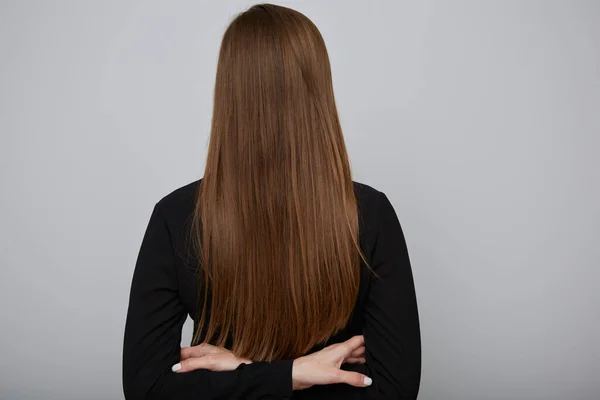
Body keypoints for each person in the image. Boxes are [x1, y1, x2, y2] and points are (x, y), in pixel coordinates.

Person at [122, 3, 421, 399]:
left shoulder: (176, 216)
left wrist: (244, 371)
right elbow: (146, 389)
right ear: (319, 88)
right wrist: (295, 373)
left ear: (228, 91)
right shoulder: (370, 214)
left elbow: (151, 388)